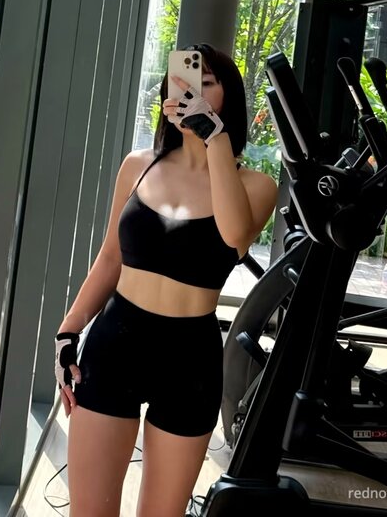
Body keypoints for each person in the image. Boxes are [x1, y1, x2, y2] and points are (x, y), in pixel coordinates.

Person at [54, 43, 279, 517]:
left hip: (189, 359)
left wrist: (215, 139)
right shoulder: (139, 165)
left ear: (229, 97)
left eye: (206, 82)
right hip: (115, 343)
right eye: (181, 82)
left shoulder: (257, 186)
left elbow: (235, 236)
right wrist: (67, 331)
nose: (191, 91)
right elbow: (109, 259)